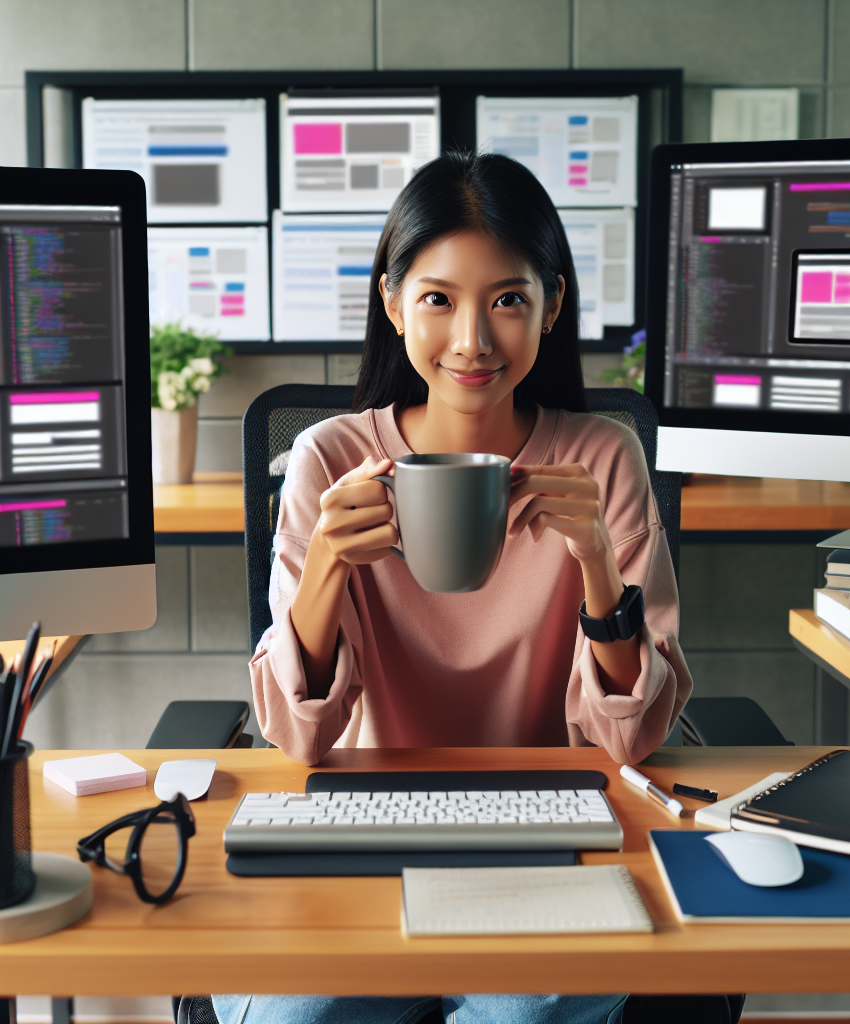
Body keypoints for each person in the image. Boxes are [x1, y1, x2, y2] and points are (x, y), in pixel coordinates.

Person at [215, 151, 692, 1024]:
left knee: (532, 1010)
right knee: (291, 1014)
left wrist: (596, 569)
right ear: (394, 304)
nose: (472, 339)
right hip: (364, 819)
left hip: (547, 825)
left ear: (551, 304)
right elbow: (296, 738)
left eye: (507, 299)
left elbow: (632, 738)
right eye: (438, 299)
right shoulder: (328, 457)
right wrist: (324, 567)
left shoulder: (603, 457)